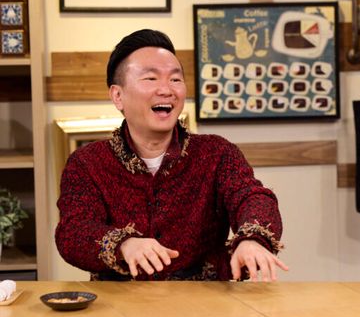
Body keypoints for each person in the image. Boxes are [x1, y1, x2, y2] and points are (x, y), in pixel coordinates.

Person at [56, 29, 288, 281]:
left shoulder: (217, 153)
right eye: (150, 78)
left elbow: (252, 197)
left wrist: (252, 240)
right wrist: (124, 245)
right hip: (121, 300)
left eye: (175, 79)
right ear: (118, 95)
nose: (166, 90)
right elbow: (73, 232)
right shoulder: (87, 162)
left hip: (204, 300)